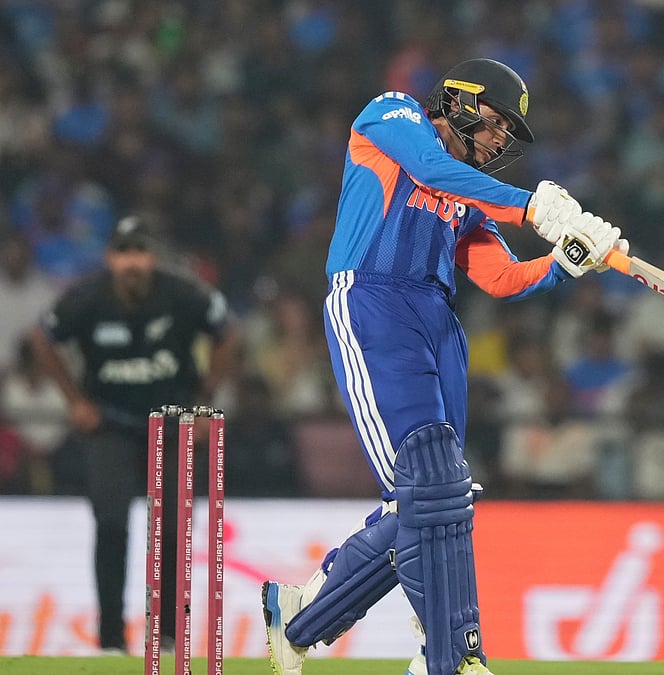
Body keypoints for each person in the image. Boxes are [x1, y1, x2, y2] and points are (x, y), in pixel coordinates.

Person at [261, 58, 627, 675]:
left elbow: (503, 277)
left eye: (508, 136)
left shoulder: (468, 194)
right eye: (496, 124)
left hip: (437, 321)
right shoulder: (392, 113)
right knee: (429, 488)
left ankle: (301, 616)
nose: (500, 141)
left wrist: (565, 260)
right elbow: (431, 170)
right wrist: (536, 207)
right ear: (460, 99)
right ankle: (454, 655)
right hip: (373, 302)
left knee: (438, 494)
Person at [29, 215, 237, 654]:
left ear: (152, 257)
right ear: (110, 259)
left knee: (173, 529)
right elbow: (42, 339)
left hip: (174, 422)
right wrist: (74, 401)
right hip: (111, 425)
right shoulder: (86, 298)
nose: (132, 263)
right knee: (110, 522)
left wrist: (204, 398)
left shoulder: (181, 293)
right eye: (123, 253)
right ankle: (109, 641)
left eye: (139, 252)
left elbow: (228, 333)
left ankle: (167, 639)